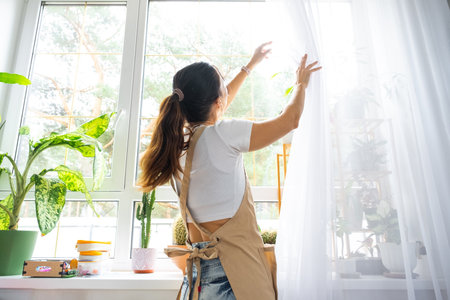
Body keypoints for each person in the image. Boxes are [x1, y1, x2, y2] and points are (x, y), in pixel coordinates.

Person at [138, 42, 321, 300]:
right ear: (217, 101)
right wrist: (301, 84)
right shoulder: (223, 135)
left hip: (198, 281)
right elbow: (290, 120)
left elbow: (216, 107)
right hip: (234, 277)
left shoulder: (177, 144)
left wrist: (249, 66)